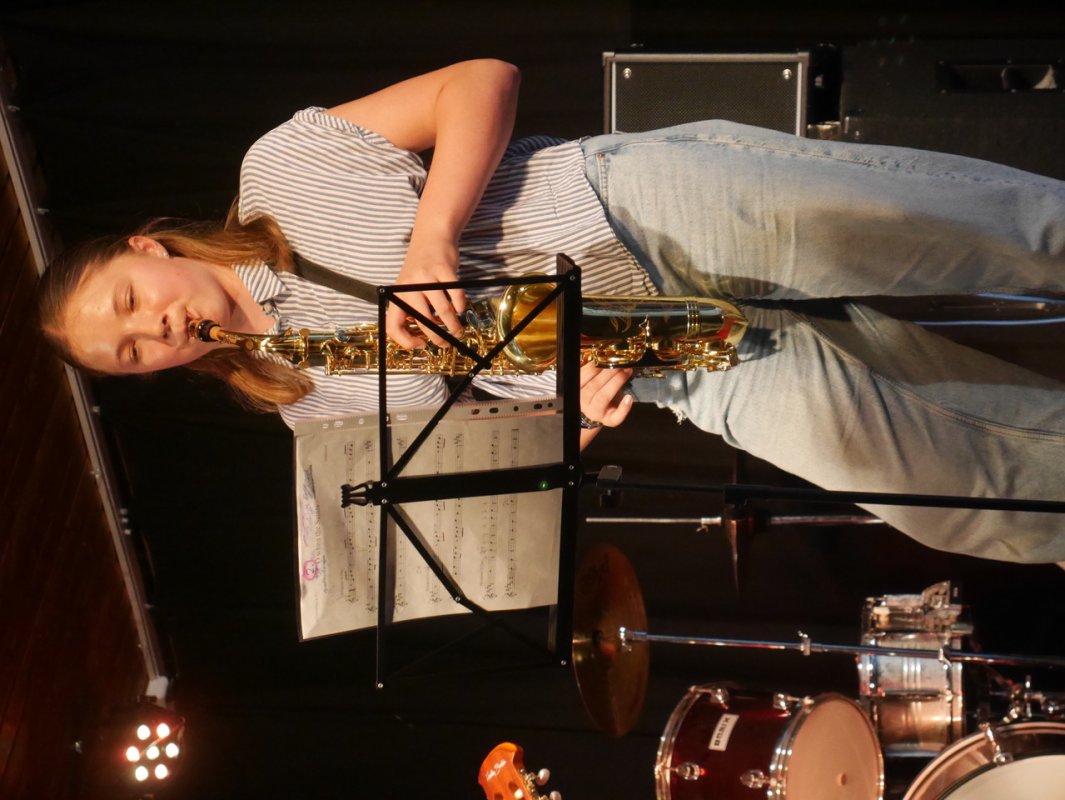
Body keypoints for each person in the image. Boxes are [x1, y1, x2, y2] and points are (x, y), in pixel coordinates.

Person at [37, 59, 1065, 564]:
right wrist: (573, 417)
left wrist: (432, 240)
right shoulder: (301, 404)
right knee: (952, 494)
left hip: (646, 211)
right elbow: (496, 440)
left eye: (127, 303)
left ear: (148, 246)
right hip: (667, 361)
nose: (149, 332)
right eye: (127, 354)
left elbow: (482, 81)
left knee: (998, 233)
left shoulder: (279, 167)